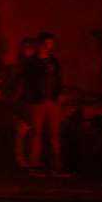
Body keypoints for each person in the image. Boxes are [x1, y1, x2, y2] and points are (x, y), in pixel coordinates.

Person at [23, 33, 68, 177]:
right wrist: (35, 96)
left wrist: (60, 93)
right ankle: (35, 165)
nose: (50, 48)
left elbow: (58, 79)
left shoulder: (53, 61)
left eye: (51, 45)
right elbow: (29, 82)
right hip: (38, 102)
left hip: (52, 102)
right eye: (47, 44)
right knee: (37, 133)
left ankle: (56, 166)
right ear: (41, 45)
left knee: (54, 134)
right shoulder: (32, 62)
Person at [4, 37, 37, 168]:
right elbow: (17, 83)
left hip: (32, 101)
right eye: (25, 47)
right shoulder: (19, 65)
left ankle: (30, 158)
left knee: (30, 131)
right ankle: (21, 159)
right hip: (22, 102)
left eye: (29, 47)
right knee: (22, 131)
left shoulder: (35, 63)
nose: (27, 50)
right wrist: (13, 99)